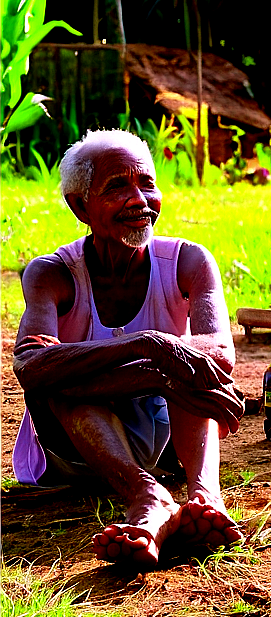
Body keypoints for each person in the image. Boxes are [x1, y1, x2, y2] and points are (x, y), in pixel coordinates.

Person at [12, 130, 244, 568]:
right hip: (79, 450)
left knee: (192, 366)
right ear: (80, 205)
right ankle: (147, 494)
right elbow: (31, 365)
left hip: (171, 441)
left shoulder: (188, 260)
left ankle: (204, 499)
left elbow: (219, 353)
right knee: (63, 382)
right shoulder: (52, 273)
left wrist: (164, 364)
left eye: (147, 184)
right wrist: (150, 351)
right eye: (117, 186)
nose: (140, 200)